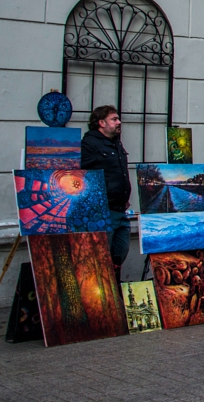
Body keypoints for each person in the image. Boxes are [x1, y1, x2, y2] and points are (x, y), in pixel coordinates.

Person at [80, 105, 131, 281]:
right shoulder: (90, 143)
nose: (119, 122)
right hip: (103, 212)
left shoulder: (116, 143)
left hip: (121, 210)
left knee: (120, 253)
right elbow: (82, 175)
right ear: (101, 123)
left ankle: (113, 290)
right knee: (101, 260)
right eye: (114, 119)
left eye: (118, 118)